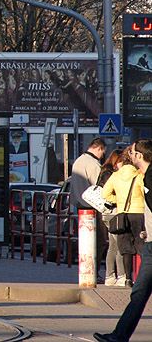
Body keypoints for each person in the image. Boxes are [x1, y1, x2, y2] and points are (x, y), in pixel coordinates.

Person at [95, 139, 152, 342]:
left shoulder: (148, 177)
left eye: (133, 152)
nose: (130, 154)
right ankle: (119, 336)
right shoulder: (141, 177)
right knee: (138, 293)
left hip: (146, 236)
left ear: (140, 156)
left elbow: (104, 193)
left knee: (138, 291)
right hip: (149, 241)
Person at [103, 144, 145, 287]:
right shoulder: (138, 175)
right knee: (141, 246)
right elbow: (144, 192)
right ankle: (141, 277)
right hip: (138, 213)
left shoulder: (115, 176)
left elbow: (105, 194)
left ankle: (127, 278)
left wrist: (118, 201)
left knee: (125, 248)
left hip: (122, 214)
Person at [72, 138, 107, 266]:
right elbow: (100, 186)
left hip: (80, 205)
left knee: (86, 241)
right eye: (102, 152)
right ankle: (94, 270)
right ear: (99, 148)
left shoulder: (78, 161)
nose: (102, 156)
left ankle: (87, 269)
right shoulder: (93, 164)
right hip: (93, 206)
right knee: (99, 241)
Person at [99, 149, 125, 286]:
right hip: (113, 212)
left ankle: (110, 276)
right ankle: (120, 275)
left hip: (107, 213)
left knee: (113, 245)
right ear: (117, 161)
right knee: (119, 244)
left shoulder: (104, 171)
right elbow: (107, 193)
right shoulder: (112, 174)